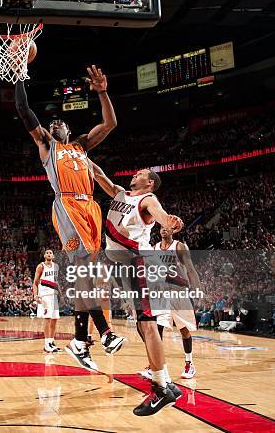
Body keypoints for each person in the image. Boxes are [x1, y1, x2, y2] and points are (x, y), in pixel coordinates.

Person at [15, 65, 124, 373]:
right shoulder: (48, 146)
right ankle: (103, 332)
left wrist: (102, 91)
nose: (56, 123)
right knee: (84, 271)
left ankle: (80, 340)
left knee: (84, 275)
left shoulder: (81, 146)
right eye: (53, 122)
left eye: (60, 121)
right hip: (67, 205)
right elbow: (24, 110)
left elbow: (110, 123)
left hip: (91, 208)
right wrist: (20, 73)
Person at [91, 163, 185, 416]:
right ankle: (166, 382)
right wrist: (81, 154)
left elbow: (161, 214)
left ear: (150, 182)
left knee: (148, 325)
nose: (135, 173)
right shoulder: (121, 193)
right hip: (124, 266)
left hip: (138, 263)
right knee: (143, 325)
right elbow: (100, 175)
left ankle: (161, 389)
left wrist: (169, 221)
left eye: (141, 173)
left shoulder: (148, 199)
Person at [135, 226, 201, 380]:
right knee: (156, 329)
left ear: (173, 231)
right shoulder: (154, 248)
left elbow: (190, 269)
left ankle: (189, 363)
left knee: (184, 329)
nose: (164, 230)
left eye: (168, 228)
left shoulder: (179, 247)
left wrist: (197, 288)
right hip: (161, 293)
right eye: (162, 228)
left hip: (179, 292)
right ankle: (155, 366)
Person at [33, 249, 61, 353]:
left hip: (54, 295)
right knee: (47, 319)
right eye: (47, 253)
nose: (49, 254)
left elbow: (56, 282)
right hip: (44, 296)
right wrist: (35, 295)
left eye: (51, 253)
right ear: (44, 255)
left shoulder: (56, 266)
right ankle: (46, 344)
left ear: (53, 256)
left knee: (54, 319)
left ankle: (51, 342)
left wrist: (61, 295)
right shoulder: (41, 266)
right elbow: (35, 282)